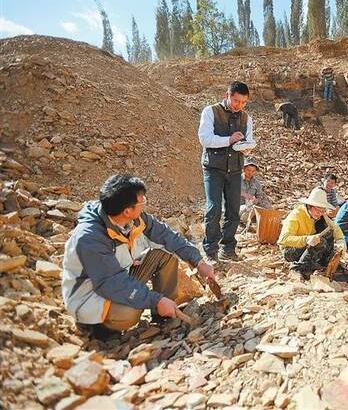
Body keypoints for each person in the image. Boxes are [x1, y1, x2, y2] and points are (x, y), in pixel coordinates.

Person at [61, 174, 216, 339]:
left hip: (118, 277)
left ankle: (163, 315)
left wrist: (198, 262)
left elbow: (167, 236)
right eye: (142, 201)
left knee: (164, 254)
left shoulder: (132, 218)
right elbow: (110, 283)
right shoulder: (90, 238)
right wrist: (155, 300)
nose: (144, 204)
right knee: (131, 312)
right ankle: (98, 328)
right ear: (127, 210)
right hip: (89, 296)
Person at [199, 81, 256, 261]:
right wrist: (229, 140)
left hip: (235, 169)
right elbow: (205, 139)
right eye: (236, 101)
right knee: (213, 208)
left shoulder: (246, 118)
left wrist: (246, 147)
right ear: (227, 95)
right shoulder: (210, 111)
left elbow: (249, 141)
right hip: (213, 168)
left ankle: (228, 248)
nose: (239, 105)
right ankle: (210, 250)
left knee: (233, 210)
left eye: (244, 102)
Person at [278, 188, 346, 279]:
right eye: (318, 210)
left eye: (323, 211)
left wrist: (341, 240)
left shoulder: (320, 215)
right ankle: (297, 268)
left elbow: (335, 228)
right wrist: (306, 239)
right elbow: (283, 239)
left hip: (308, 247)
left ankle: (322, 263)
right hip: (290, 250)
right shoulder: (296, 215)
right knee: (320, 241)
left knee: (329, 233)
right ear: (310, 206)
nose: (320, 213)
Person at [240, 159, 271, 223]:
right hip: (237, 206)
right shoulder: (236, 179)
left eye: (253, 171)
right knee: (246, 209)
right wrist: (243, 194)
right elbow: (229, 191)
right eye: (248, 170)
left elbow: (260, 196)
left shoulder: (257, 183)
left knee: (267, 208)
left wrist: (256, 200)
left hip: (251, 206)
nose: (250, 173)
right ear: (244, 169)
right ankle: (244, 220)